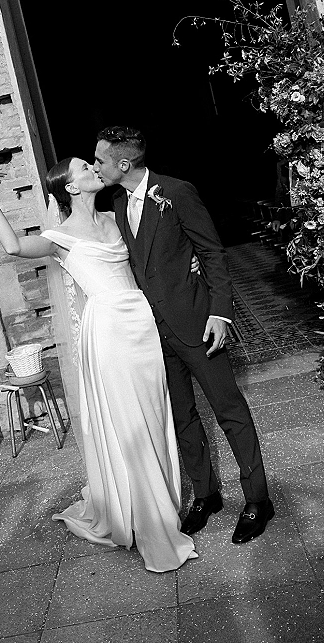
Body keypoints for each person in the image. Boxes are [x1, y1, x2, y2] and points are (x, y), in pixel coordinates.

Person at [0, 159, 197, 573]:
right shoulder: (60, 237)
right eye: (84, 168)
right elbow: (14, 247)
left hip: (141, 322)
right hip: (108, 331)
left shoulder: (117, 217)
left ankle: (161, 498)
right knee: (130, 422)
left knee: (153, 411)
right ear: (69, 188)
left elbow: (154, 255)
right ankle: (152, 523)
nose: (94, 168)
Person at [94, 126, 274, 544]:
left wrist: (220, 313)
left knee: (229, 411)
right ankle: (206, 494)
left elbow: (211, 251)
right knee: (182, 417)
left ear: (124, 164)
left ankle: (258, 500)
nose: (96, 166)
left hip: (195, 324)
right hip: (152, 332)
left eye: (100, 159)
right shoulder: (118, 202)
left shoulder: (176, 192)